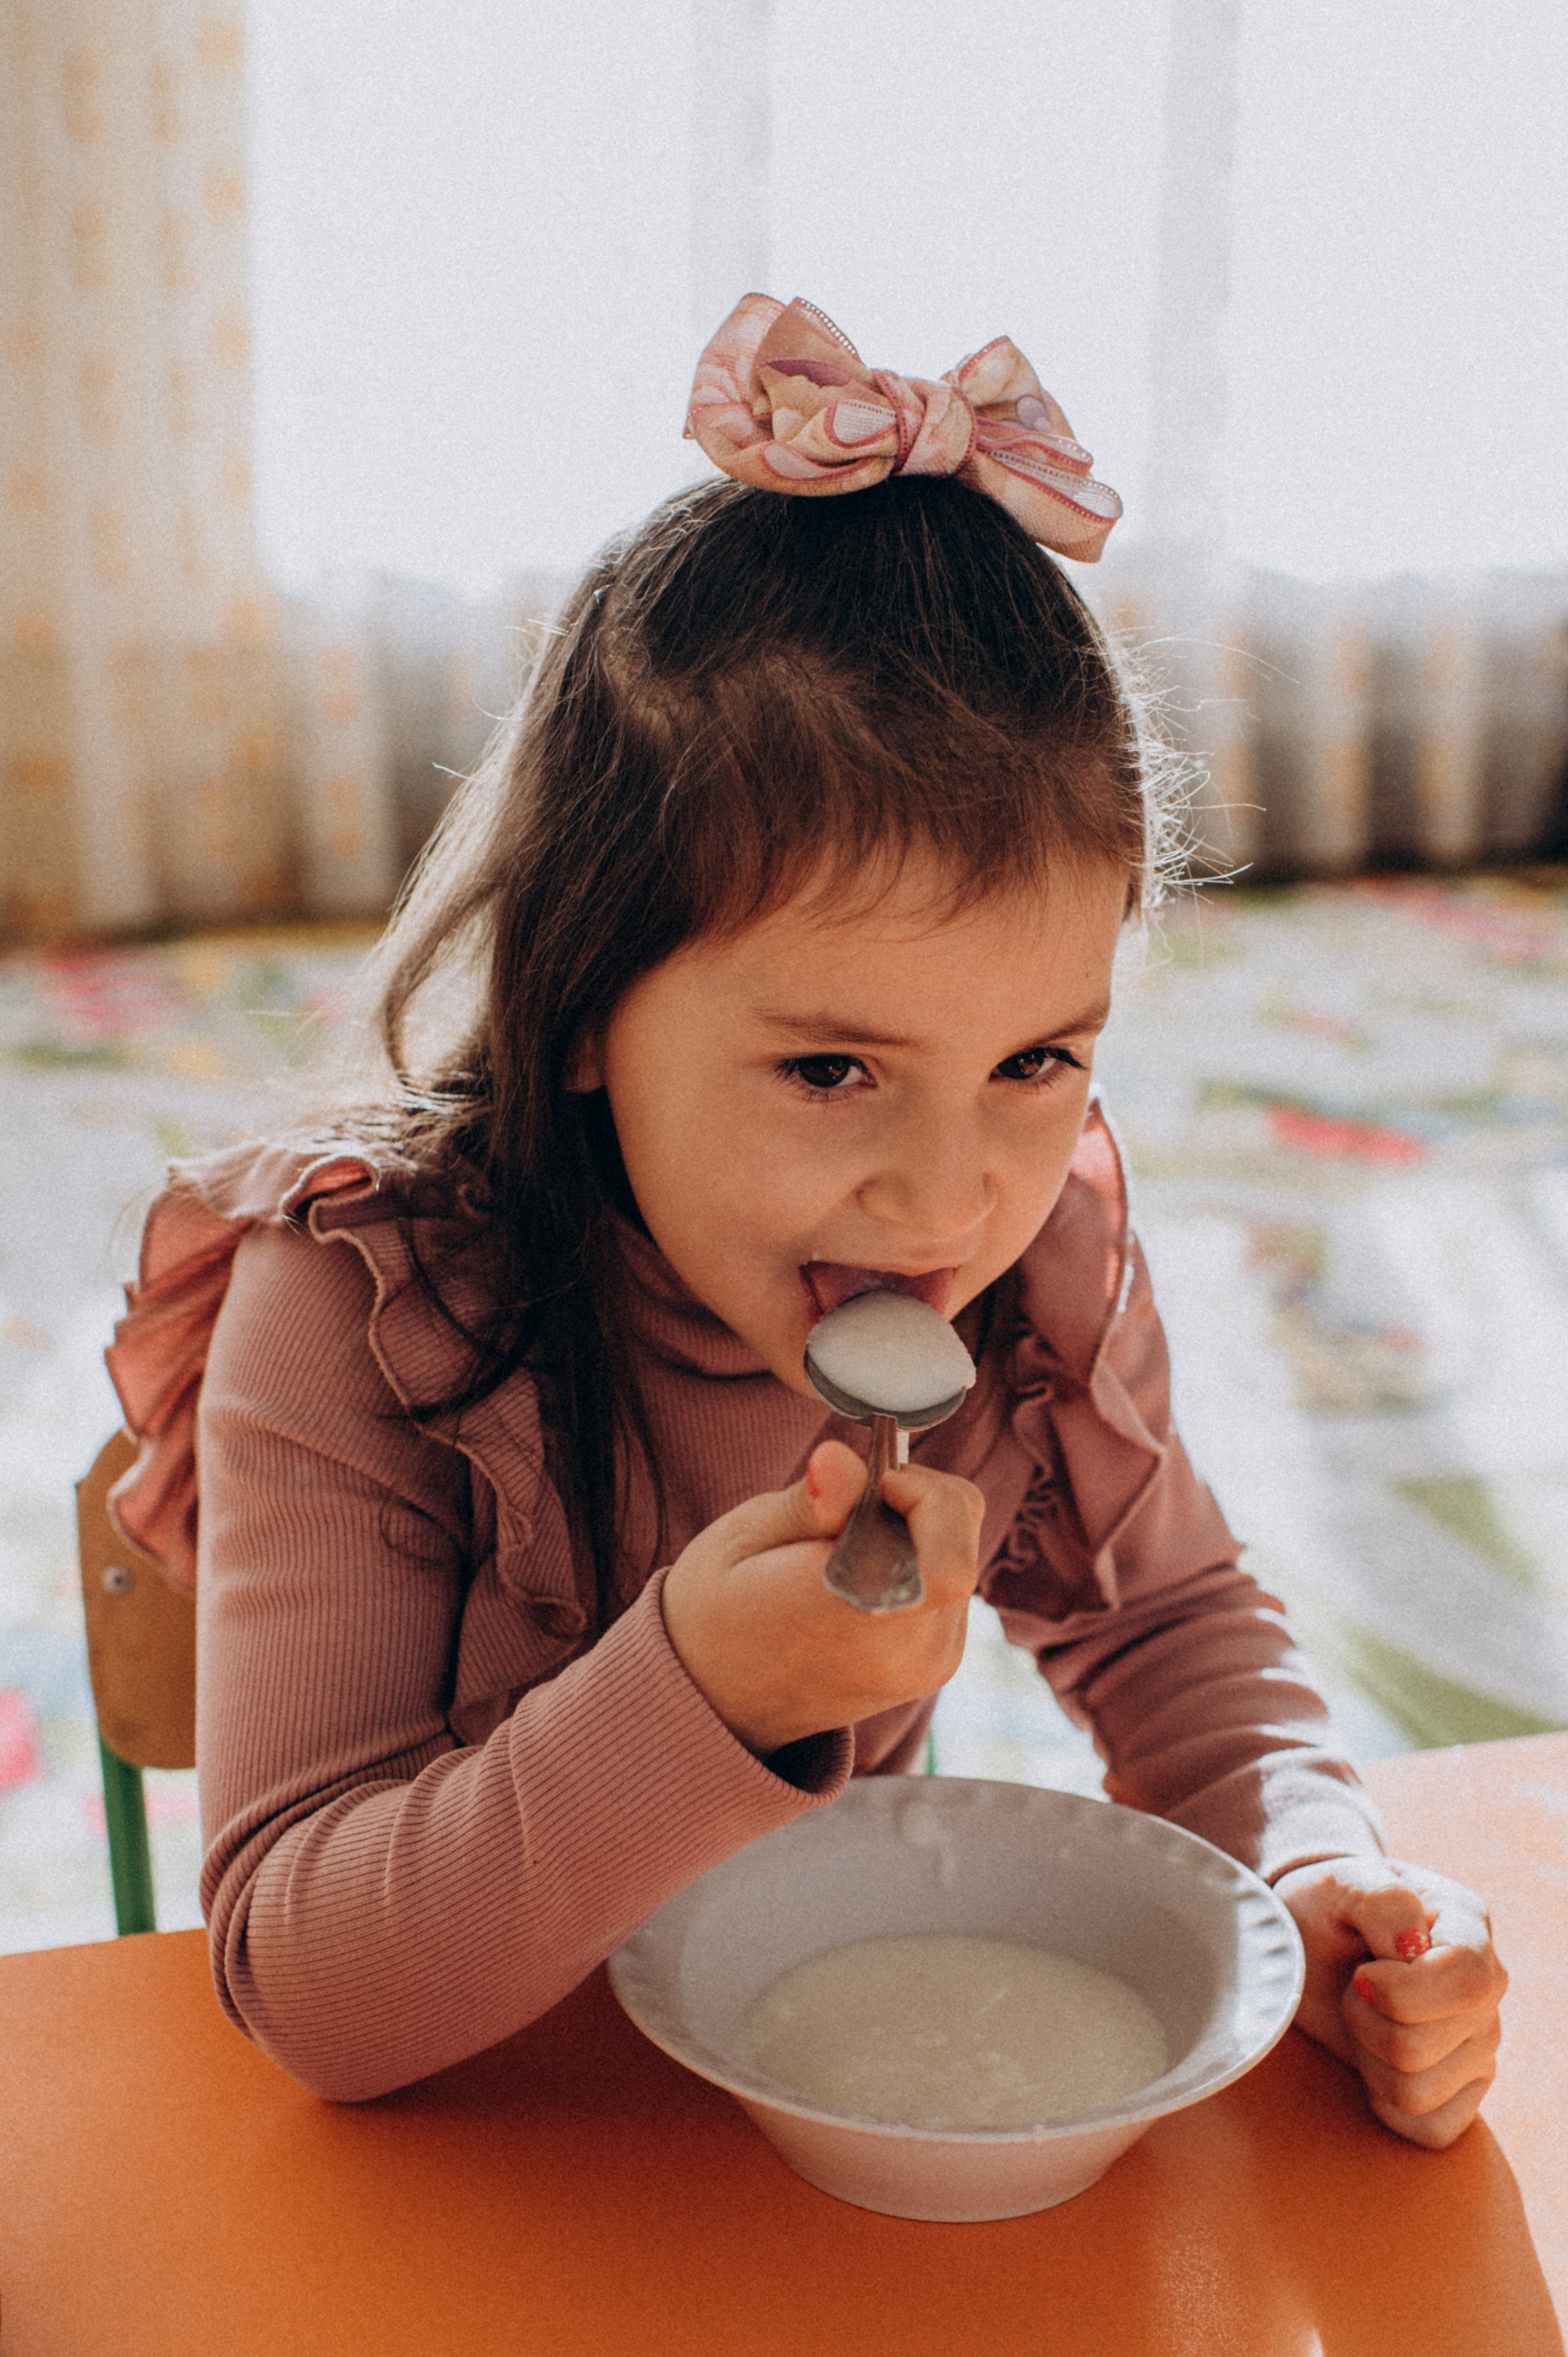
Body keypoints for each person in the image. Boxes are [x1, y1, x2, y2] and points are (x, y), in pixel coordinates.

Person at [107, 295, 1506, 2134]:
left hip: (797, 2122)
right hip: (480, 2159)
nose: (950, 1200)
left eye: (1035, 1060)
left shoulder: (1039, 1264)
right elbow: (304, 1987)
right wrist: (688, 1692)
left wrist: (1321, 1873)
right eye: (834, 1072)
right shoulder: (366, 1308)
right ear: (590, 1002)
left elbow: (1169, 1633)